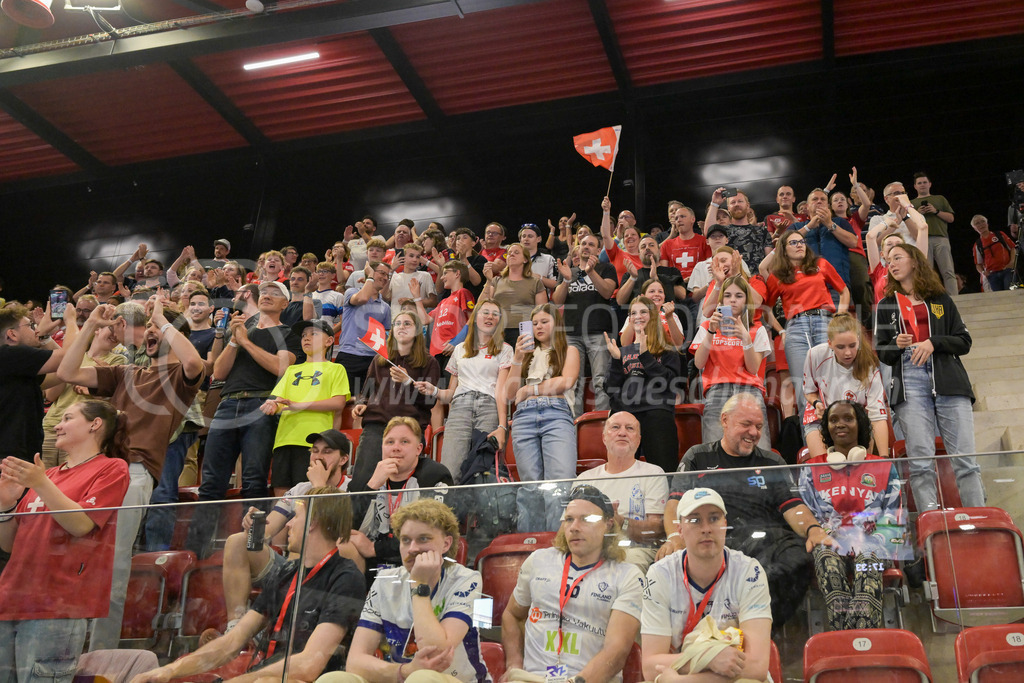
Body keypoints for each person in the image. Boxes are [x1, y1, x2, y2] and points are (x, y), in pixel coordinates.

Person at [132, 487, 365, 683]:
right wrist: (170, 670)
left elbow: (310, 664)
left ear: (313, 521)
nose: (289, 524)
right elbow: (231, 642)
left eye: (296, 517)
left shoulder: (345, 576)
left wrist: (243, 680)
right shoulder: (288, 572)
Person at [660, 393, 834, 629]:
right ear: (724, 420)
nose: (753, 432)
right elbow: (675, 503)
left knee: (796, 557)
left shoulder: (772, 461)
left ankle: (757, 629)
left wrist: (813, 529)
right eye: (746, 424)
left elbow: (793, 506)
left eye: (759, 426)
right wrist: (674, 538)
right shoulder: (697, 456)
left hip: (766, 542)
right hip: (714, 539)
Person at [0, 400, 129, 683]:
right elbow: (9, 544)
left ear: (95, 425)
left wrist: (40, 484)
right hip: (10, 600)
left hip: (58, 606)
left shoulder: (111, 468)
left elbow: (82, 524)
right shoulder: (46, 476)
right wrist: (6, 504)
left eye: (68, 417)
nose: (57, 423)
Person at [323, 499, 490, 683]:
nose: (412, 549)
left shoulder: (467, 579)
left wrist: (419, 584)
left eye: (423, 539)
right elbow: (355, 662)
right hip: (404, 678)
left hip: (456, 680)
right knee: (335, 679)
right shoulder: (385, 581)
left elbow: (436, 653)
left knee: (423, 679)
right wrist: (405, 671)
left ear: (446, 544)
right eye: (405, 540)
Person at [874, 243, 985, 511]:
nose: (892, 264)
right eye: (889, 261)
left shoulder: (940, 299)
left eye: (898, 257)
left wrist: (934, 342)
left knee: (965, 459)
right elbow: (883, 351)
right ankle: (930, 521)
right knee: (920, 461)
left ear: (915, 262)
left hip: (948, 378)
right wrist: (896, 344)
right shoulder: (887, 304)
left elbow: (964, 340)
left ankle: (980, 517)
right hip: (908, 379)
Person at [216, 430, 353, 638]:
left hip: (330, 573)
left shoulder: (354, 489)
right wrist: (254, 524)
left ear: (343, 459)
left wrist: (319, 487)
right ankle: (236, 630)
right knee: (238, 541)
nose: (317, 457)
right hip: (290, 570)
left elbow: (338, 536)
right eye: (314, 451)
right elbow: (268, 530)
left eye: (327, 451)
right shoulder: (300, 489)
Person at [502, 486, 643, 683]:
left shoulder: (627, 576)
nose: (574, 527)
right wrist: (514, 664)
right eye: (569, 519)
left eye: (586, 519)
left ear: (608, 525)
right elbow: (512, 615)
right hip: (531, 679)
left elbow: (616, 653)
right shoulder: (539, 561)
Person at [641, 487, 772, 683]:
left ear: (725, 524)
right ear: (680, 529)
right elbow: (650, 667)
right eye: (694, 520)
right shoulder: (660, 574)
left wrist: (683, 681)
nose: (706, 528)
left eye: (713, 518)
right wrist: (709, 658)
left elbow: (756, 667)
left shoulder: (749, 572)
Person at [798, 401, 907, 631]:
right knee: (827, 558)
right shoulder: (810, 469)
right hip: (829, 542)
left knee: (868, 557)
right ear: (826, 428)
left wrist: (870, 540)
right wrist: (827, 535)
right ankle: (850, 639)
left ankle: (858, 636)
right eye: (833, 420)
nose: (840, 424)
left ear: (861, 424)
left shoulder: (884, 466)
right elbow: (807, 516)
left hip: (873, 544)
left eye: (848, 418)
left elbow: (894, 518)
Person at [760, 229, 850, 422]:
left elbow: (844, 291)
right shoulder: (778, 276)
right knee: (803, 387)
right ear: (783, 249)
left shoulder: (820, 264)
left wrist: (840, 316)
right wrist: (781, 330)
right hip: (796, 328)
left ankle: (837, 438)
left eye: (801, 241)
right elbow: (765, 310)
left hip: (824, 321)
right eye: (793, 242)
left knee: (832, 380)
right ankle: (811, 445)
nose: (800, 245)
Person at [415, 300, 512, 478]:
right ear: (475, 318)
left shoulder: (505, 349)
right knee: (450, 470)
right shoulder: (459, 349)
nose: (490, 316)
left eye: (495, 314)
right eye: (485, 312)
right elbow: (451, 394)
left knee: (482, 471)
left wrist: (501, 426)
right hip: (460, 407)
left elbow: (501, 392)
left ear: (499, 321)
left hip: (488, 407)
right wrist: (434, 391)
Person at [506, 303, 580, 532]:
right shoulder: (525, 355)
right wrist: (518, 358)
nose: (538, 326)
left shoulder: (570, 349)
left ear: (555, 324)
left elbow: (566, 382)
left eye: (544, 321)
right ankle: (531, 546)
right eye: (534, 323)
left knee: (559, 484)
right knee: (529, 488)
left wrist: (531, 390)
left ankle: (558, 544)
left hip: (556, 413)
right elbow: (510, 394)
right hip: (524, 417)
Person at [347, 417, 453, 573]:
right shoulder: (368, 477)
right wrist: (371, 487)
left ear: (418, 449)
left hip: (418, 564)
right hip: (372, 566)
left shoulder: (435, 476)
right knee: (344, 545)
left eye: (404, 442)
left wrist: (374, 548)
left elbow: (432, 535)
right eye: (390, 442)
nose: (395, 448)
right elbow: (347, 527)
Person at [350, 310, 440, 491]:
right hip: (376, 428)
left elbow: (429, 401)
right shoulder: (379, 359)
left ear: (417, 331)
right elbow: (366, 391)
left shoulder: (430, 363)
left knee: (404, 485)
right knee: (362, 482)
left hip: (410, 429)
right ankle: (356, 518)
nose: (401, 327)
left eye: (407, 323)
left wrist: (408, 382)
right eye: (398, 324)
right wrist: (361, 404)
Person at [261, 320, 351, 495]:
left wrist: (300, 406)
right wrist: (272, 405)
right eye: (303, 335)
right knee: (283, 494)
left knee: (309, 494)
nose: (306, 338)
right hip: (284, 440)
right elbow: (280, 402)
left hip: (316, 444)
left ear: (329, 341)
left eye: (314, 334)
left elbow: (338, 402)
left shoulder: (336, 368)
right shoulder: (291, 370)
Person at [576, 411, 668, 572]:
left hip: (635, 551)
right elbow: (569, 525)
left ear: (638, 440)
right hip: (592, 550)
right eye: (616, 427)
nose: (622, 433)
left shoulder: (654, 473)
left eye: (630, 428)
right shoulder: (585, 478)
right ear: (604, 438)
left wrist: (621, 523)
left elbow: (656, 531)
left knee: (625, 567)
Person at [690, 275, 772, 449]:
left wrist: (745, 337)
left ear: (746, 300)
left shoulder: (757, 329)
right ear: (721, 300)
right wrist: (711, 332)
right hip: (717, 390)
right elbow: (698, 363)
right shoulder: (707, 326)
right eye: (728, 295)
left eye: (738, 296)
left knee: (759, 449)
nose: (733, 300)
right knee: (715, 450)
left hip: (749, 391)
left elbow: (753, 368)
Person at [605, 296, 682, 473]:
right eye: (633, 313)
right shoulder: (622, 351)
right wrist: (617, 361)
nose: (637, 316)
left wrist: (646, 355)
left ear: (653, 316)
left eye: (643, 312)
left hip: (657, 417)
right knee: (621, 474)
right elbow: (610, 389)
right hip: (627, 419)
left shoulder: (667, 350)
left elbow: (670, 384)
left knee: (664, 473)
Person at [802, 313, 888, 458]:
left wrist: (885, 459)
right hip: (821, 418)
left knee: (861, 467)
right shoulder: (815, 355)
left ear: (859, 341)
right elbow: (809, 391)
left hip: (855, 421)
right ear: (830, 344)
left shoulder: (869, 367)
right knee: (824, 467)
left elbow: (877, 417)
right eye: (840, 347)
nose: (848, 353)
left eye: (852, 345)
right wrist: (816, 403)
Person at [552, 232, 618, 415]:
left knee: (600, 381)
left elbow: (607, 292)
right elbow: (557, 301)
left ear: (598, 249)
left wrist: (591, 271)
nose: (586, 247)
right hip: (571, 335)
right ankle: (573, 427)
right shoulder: (569, 271)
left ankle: (604, 423)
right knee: (573, 383)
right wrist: (566, 279)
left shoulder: (606, 268)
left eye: (591, 244)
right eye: (583, 243)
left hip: (599, 332)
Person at [0, 305, 65, 463]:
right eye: (30, 326)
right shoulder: (8, 355)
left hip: (18, 454)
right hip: (10, 457)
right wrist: (76, 322)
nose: (36, 330)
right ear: (12, 334)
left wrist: (45, 338)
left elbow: (63, 372)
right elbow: (68, 358)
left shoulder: (17, 364)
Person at [338, 261, 392, 393]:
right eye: (382, 273)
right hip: (350, 356)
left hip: (373, 360)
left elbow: (385, 336)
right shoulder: (351, 292)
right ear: (370, 273)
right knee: (345, 401)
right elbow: (362, 298)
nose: (385, 278)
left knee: (369, 403)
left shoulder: (385, 307)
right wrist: (370, 277)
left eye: (387, 275)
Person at [481, 242, 547, 345]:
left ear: (525, 259)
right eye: (509, 253)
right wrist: (488, 281)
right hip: (499, 329)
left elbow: (541, 312)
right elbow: (483, 305)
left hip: (524, 331)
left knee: (523, 361)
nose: (511, 254)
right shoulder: (496, 280)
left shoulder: (535, 282)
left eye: (516, 252)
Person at [703, 188, 773, 275]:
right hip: (729, 281)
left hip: (756, 282)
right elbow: (709, 232)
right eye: (733, 202)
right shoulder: (723, 231)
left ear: (747, 206)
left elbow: (770, 263)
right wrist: (714, 203)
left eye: (740, 201)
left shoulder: (762, 231)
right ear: (728, 208)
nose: (736, 204)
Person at [911, 172, 957, 297]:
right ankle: (930, 297)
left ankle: (953, 297)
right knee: (926, 271)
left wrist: (936, 211)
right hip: (921, 241)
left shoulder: (940, 199)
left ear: (930, 184)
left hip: (940, 238)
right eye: (919, 183)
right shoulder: (911, 203)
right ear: (915, 186)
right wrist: (918, 214)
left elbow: (951, 218)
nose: (922, 185)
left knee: (948, 270)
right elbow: (907, 224)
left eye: (925, 182)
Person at [600, 196, 644, 279]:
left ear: (640, 239)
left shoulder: (645, 256)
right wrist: (606, 212)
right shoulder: (618, 254)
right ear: (623, 241)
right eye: (626, 235)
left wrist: (627, 228)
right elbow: (605, 236)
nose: (629, 237)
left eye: (633, 234)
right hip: (620, 290)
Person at [971, 214, 1017, 291]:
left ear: (987, 223)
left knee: (1010, 293)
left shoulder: (999, 235)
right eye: (977, 223)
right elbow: (978, 264)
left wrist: (1012, 262)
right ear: (974, 228)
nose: (981, 224)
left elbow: (1013, 248)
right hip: (992, 275)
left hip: (1007, 271)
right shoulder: (977, 244)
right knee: (998, 298)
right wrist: (983, 272)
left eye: (983, 221)